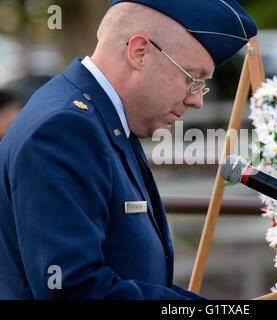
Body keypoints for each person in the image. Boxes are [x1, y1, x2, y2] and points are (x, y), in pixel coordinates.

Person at [0, 0, 257, 299]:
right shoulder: (67, 128)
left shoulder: (100, 117)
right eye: (191, 79)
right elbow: (73, 288)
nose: (197, 100)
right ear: (140, 52)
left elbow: (128, 272)